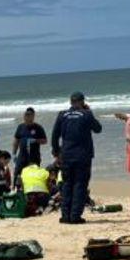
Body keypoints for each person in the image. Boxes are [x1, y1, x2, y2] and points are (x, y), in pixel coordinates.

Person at [51, 92, 102, 224]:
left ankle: (65, 216)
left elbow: (55, 135)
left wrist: (56, 153)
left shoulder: (62, 115)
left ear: (71, 102)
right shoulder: (86, 114)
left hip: (66, 155)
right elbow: (98, 129)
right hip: (82, 156)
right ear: (82, 102)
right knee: (80, 184)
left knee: (67, 184)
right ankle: (75, 216)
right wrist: (89, 112)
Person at [12, 107, 47, 180]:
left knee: (33, 176)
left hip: (34, 156)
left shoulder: (38, 127)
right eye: (26, 115)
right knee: (17, 174)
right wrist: (14, 154)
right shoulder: (20, 127)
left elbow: (45, 141)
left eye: (29, 115)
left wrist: (35, 140)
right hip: (22, 155)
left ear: (33, 116)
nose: (27, 117)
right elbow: (16, 141)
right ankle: (15, 188)